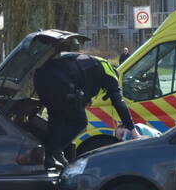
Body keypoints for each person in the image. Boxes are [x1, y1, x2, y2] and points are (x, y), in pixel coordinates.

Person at [33, 41, 136, 169]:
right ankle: (54, 150)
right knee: (80, 123)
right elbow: (119, 103)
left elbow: (80, 79)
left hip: (41, 78)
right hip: (59, 83)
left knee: (57, 118)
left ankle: (49, 158)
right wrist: (133, 130)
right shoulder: (109, 72)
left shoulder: (93, 63)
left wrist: (84, 98)